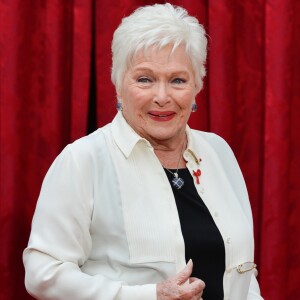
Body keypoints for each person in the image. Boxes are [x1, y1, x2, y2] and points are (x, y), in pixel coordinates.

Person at [23, 3, 263, 300]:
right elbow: (43, 273)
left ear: (196, 87)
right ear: (119, 86)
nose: (161, 97)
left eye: (177, 80)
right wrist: (150, 296)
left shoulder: (219, 152)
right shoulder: (84, 160)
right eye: (145, 79)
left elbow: (241, 269)